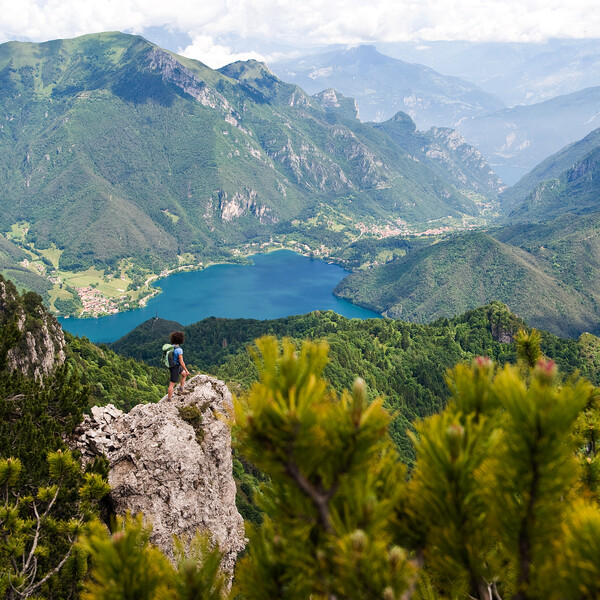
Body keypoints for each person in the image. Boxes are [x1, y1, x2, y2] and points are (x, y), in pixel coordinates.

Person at [167, 331, 190, 400]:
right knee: (172, 384)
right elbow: (181, 362)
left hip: (172, 366)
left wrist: (185, 371)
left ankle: (181, 389)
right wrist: (187, 370)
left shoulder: (171, 348)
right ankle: (169, 400)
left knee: (184, 374)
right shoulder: (179, 350)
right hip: (175, 367)